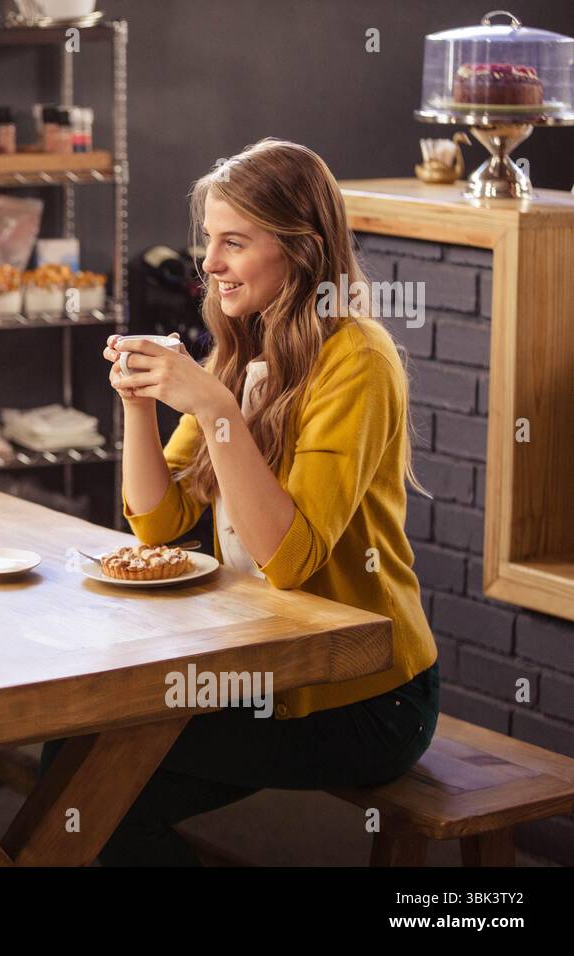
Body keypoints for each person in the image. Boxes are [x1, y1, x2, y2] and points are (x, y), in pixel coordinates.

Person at [40, 138, 440, 866]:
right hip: (260, 666)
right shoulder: (242, 350)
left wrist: (217, 407)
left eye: (233, 242)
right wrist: (139, 403)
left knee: (91, 774)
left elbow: (289, 558)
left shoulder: (358, 359)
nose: (209, 263)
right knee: (79, 771)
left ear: (302, 249)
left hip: (359, 695)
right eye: (207, 244)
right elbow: (159, 524)